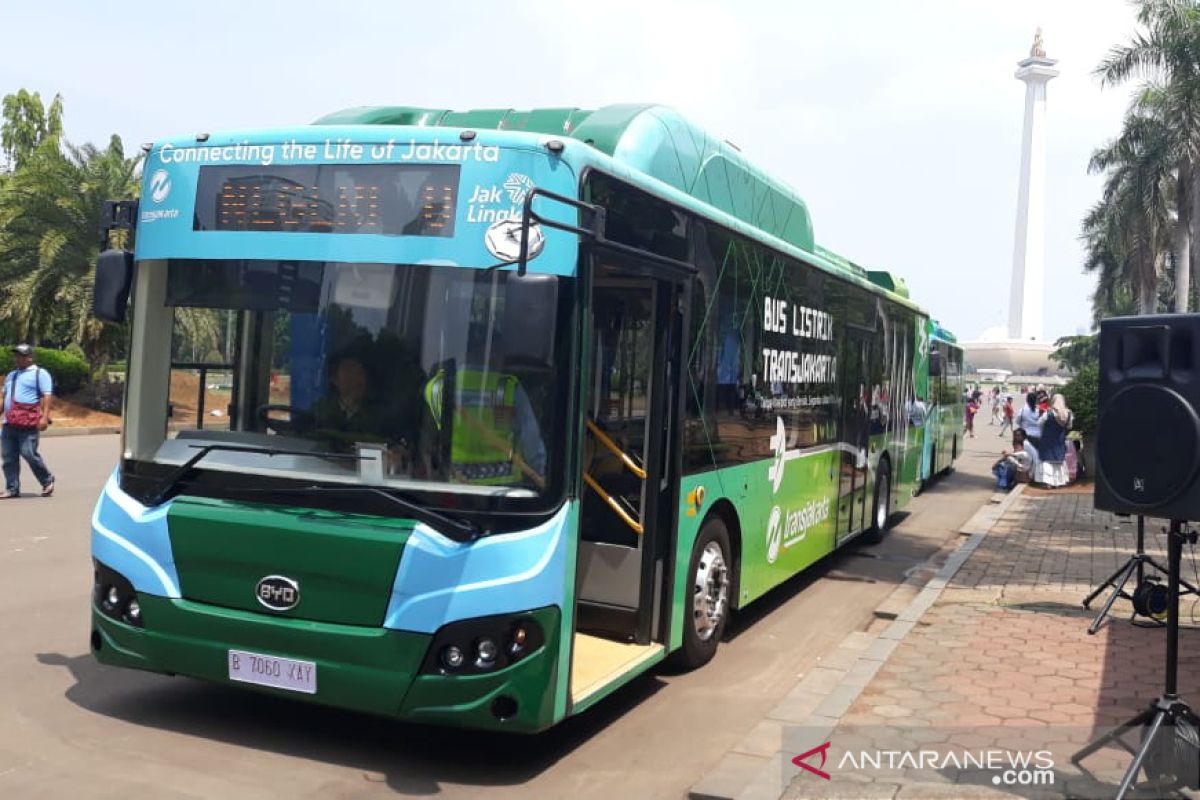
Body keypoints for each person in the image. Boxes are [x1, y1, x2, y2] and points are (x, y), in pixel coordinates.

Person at [1, 344, 55, 498]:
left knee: (29, 453)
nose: (17, 358)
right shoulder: (11, 375)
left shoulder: (40, 373)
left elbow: (47, 396)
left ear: (30, 358)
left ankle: (47, 480)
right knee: (8, 457)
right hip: (9, 422)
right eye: (16, 355)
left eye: (21, 355)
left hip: (28, 422)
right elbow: (4, 397)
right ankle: (12, 488)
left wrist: (44, 417)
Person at [1036, 393, 1073, 488]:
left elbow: (1039, 423)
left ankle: (1049, 483)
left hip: (1047, 439)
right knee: (1058, 460)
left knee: (1047, 460)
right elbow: (1069, 426)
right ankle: (1058, 482)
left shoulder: (1048, 413)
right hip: (1060, 440)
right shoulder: (1068, 413)